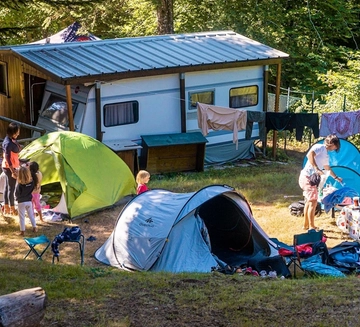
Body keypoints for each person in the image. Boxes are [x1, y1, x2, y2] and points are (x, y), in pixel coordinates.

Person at [298, 134, 342, 231]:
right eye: (336, 146)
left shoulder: (325, 153)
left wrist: (336, 177)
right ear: (332, 144)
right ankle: (312, 226)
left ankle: (306, 225)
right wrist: (316, 168)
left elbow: (327, 168)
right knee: (313, 202)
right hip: (308, 177)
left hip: (311, 178)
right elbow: (310, 155)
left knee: (309, 202)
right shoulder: (320, 147)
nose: (335, 148)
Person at [2, 122, 21, 215]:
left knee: (7, 186)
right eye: (17, 132)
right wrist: (13, 171)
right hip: (9, 167)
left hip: (9, 166)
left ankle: (6, 207)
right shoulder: (8, 143)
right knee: (11, 188)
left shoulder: (11, 139)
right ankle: (12, 209)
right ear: (12, 132)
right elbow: (8, 158)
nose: (18, 134)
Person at [15, 166, 37, 236]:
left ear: (20, 175)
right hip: (29, 201)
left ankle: (22, 231)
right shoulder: (32, 182)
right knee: (31, 215)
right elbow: (31, 190)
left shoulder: (19, 185)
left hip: (21, 202)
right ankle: (34, 227)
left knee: (22, 217)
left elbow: (17, 193)